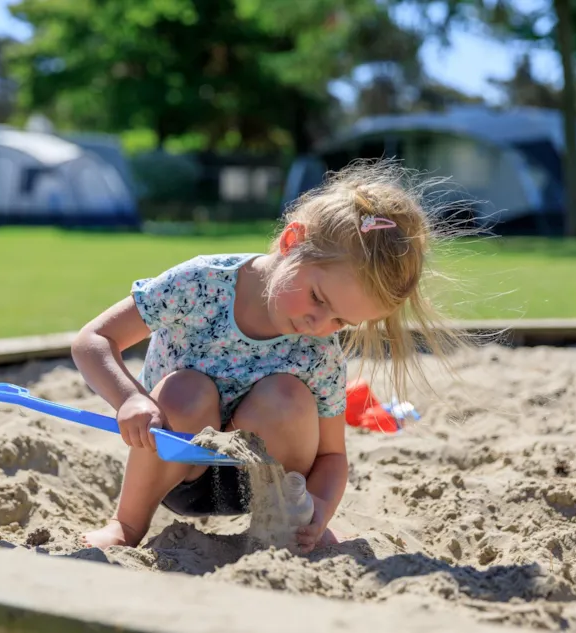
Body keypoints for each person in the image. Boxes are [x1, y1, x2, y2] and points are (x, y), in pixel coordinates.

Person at [70, 159, 462, 553]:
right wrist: (130, 399)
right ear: (292, 242)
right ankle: (127, 524)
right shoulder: (199, 285)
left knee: (288, 397)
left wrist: (320, 508)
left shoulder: (319, 352)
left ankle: (280, 530)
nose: (318, 323)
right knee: (186, 391)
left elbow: (330, 456)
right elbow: (94, 340)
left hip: (264, 484)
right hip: (177, 467)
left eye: (341, 320)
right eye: (317, 299)